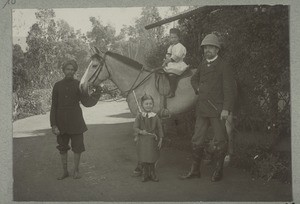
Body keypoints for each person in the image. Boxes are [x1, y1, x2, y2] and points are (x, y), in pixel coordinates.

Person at [181, 33, 236, 182]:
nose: (207, 50)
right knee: (196, 139)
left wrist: (226, 109)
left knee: (220, 140)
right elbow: (194, 79)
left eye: (211, 47)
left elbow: (230, 90)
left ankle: (218, 171)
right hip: (202, 109)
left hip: (217, 110)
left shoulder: (224, 66)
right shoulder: (202, 64)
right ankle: (195, 170)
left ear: (217, 50)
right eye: (205, 47)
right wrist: (198, 89)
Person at [50, 59, 88, 180]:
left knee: (77, 147)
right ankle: (65, 171)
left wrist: (94, 92)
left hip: (76, 122)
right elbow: (53, 106)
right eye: (68, 69)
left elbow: (86, 101)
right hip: (61, 123)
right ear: (64, 70)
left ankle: (76, 171)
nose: (70, 71)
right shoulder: (57, 85)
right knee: (62, 147)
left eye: (72, 70)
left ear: (75, 71)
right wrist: (54, 125)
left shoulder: (79, 84)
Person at [133, 94, 164, 182]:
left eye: (150, 103)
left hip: (152, 140)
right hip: (142, 140)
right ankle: (145, 173)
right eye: (146, 104)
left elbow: (159, 128)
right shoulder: (139, 116)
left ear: (153, 105)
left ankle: (153, 173)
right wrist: (141, 131)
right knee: (144, 157)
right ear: (142, 105)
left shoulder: (155, 116)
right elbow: (135, 127)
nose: (148, 105)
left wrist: (161, 138)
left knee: (152, 157)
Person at [162, 28, 189, 98]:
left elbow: (176, 58)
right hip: (171, 63)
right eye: (171, 37)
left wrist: (168, 60)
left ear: (179, 38)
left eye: (175, 37)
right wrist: (165, 61)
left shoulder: (180, 47)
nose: (173, 39)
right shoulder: (171, 47)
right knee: (162, 72)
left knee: (171, 75)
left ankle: (172, 92)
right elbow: (168, 54)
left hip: (178, 64)